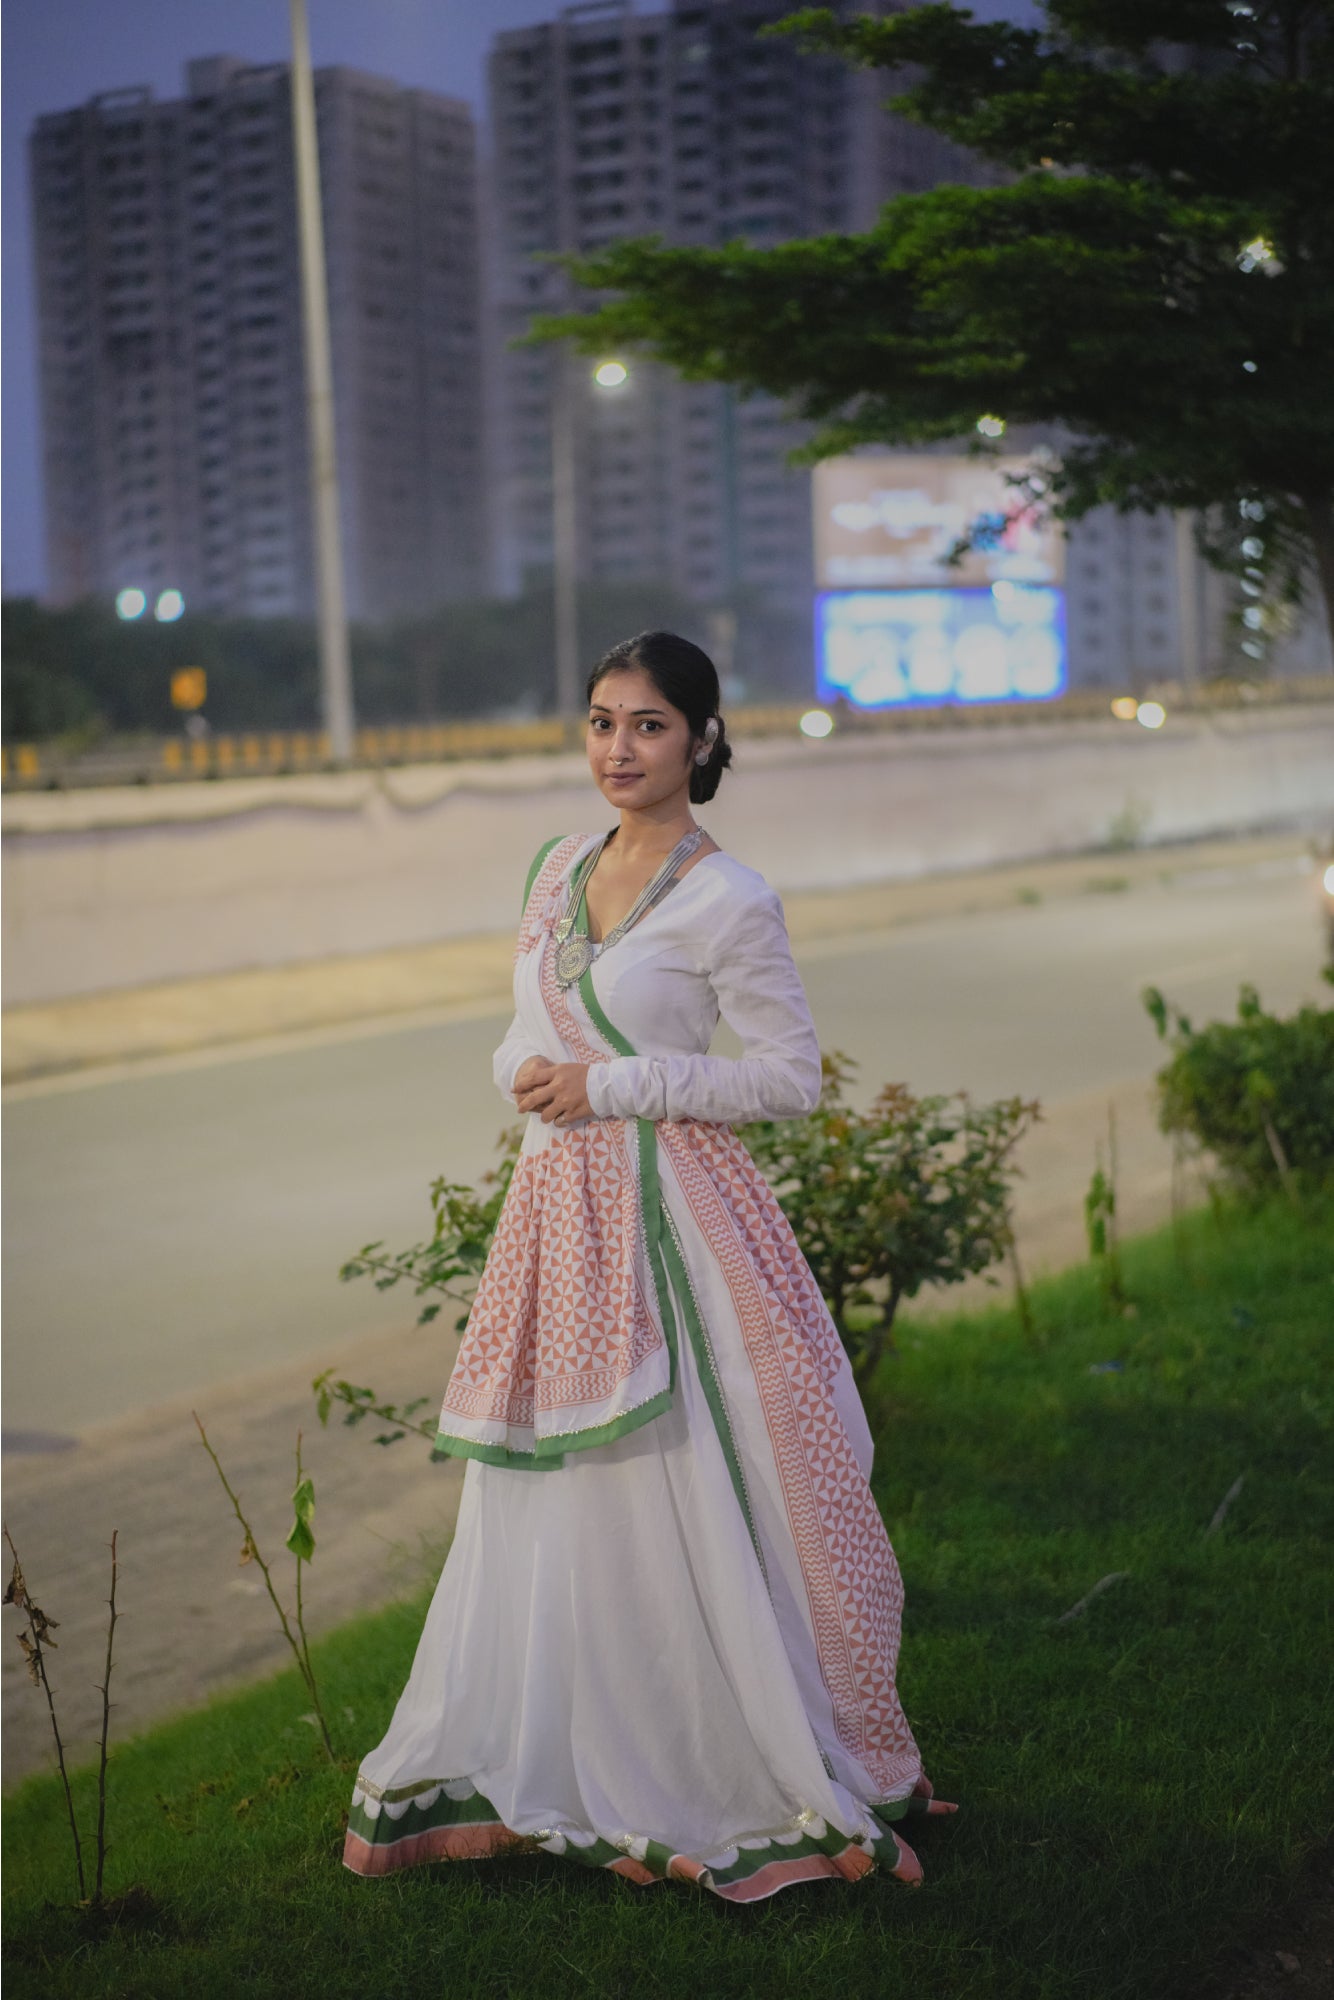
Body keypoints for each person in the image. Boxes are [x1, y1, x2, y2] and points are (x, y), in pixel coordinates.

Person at [342, 631, 954, 1903]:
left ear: (703, 741)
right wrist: (516, 1074)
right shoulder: (557, 866)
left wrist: (611, 1081)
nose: (617, 748)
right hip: (558, 1214)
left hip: (681, 1225)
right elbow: (525, 1026)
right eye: (600, 721)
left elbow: (786, 1076)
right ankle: (559, 1750)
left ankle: (719, 1754)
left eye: (648, 725)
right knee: (561, 1494)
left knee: (697, 1484)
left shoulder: (731, 897)